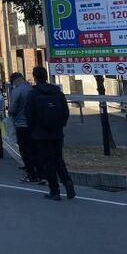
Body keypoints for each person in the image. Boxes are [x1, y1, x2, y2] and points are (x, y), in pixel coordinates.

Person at [25, 67, 75, 201]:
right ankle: (67, 180)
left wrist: (33, 129)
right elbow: (65, 111)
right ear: (46, 76)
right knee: (58, 159)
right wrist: (60, 125)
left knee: (47, 162)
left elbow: (29, 114)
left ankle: (55, 190)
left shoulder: (33, 94)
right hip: (57, 132)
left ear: (35, 77)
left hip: (40, 133)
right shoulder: (57, 92)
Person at [8, 72, 42, 184]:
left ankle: (31, 174)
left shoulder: (17, 90)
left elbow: (12, 109)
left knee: (25, 151)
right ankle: (41, 174)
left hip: (21, 124)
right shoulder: (31, 89)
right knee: (35, 149)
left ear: (15, 81)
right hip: (33, 124)